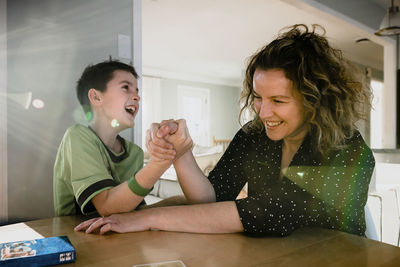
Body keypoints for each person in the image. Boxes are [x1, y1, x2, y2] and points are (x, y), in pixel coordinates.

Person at [75, 24, 375, 237]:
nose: (263, 111)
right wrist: (182, 152)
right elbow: (212, 198)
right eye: (258, 97)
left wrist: (148, 217)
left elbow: (269, 214)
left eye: (278, 100)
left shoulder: (347, 150)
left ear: (315, 101)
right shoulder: (255, 135)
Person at [53, 60, 190, 217]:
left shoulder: (134, 153)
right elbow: (107, 207)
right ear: (96, 97)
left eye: (137, 91)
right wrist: (160, 162)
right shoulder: (77, 136)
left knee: (181, 202)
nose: (137, 96)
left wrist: (178, 202)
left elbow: (132, 211)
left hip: (118, 236)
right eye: (126, 87)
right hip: (75, 236)